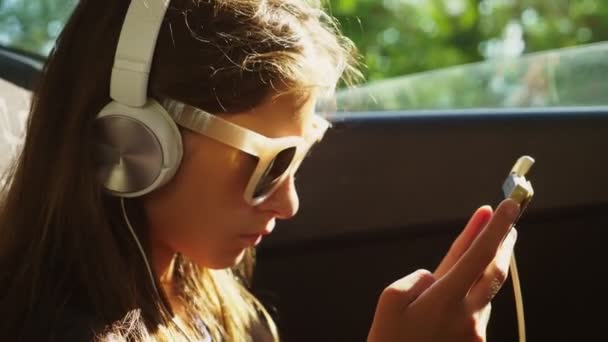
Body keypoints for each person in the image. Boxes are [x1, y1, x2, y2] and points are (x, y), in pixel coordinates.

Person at [0, 0, 520, 341]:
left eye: (301, 154)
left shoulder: (210, 298)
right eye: (271, 164)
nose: (288, 203)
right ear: (133, 140)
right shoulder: (56, 329)